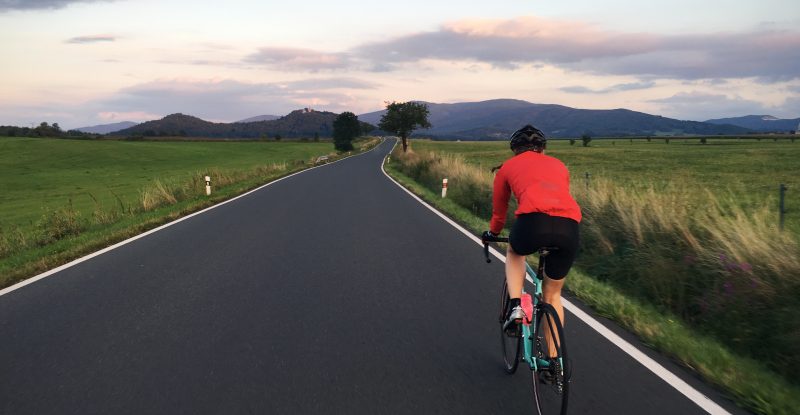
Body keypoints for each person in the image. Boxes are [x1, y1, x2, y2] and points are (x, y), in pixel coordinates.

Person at [482, 125, 581, 341]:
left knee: (515, 252)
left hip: (532, 223)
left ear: (515, 149)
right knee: (553, 295)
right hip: (569, 227)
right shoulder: (559, 165)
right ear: (543, 149)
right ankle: (556, 365)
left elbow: (499, 213)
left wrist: (492, 232)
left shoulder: (507, 168)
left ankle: (516, 306)